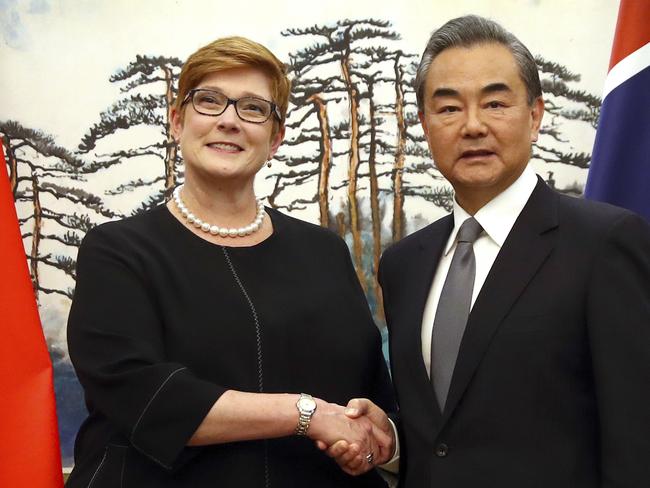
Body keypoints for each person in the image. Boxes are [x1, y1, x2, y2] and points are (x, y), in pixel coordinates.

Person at [329, 14, 650, 488]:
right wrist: (392, 439)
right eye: (449, 108)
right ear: (424, 124)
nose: (473, 126)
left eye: (496, 103)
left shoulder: (604, 243)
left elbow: (636, 439)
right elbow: (446, 429)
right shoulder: (404, 264)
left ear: (535, 115)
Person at [65, 36, 395, 488]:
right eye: (210, 101)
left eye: (253, 108)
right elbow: (142, 394)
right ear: (177, 121)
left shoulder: (324, 251)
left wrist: (369, 437)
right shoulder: (117, 251)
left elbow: (368, 391)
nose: (228, 121)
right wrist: (306, 414)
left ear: (275, 138)